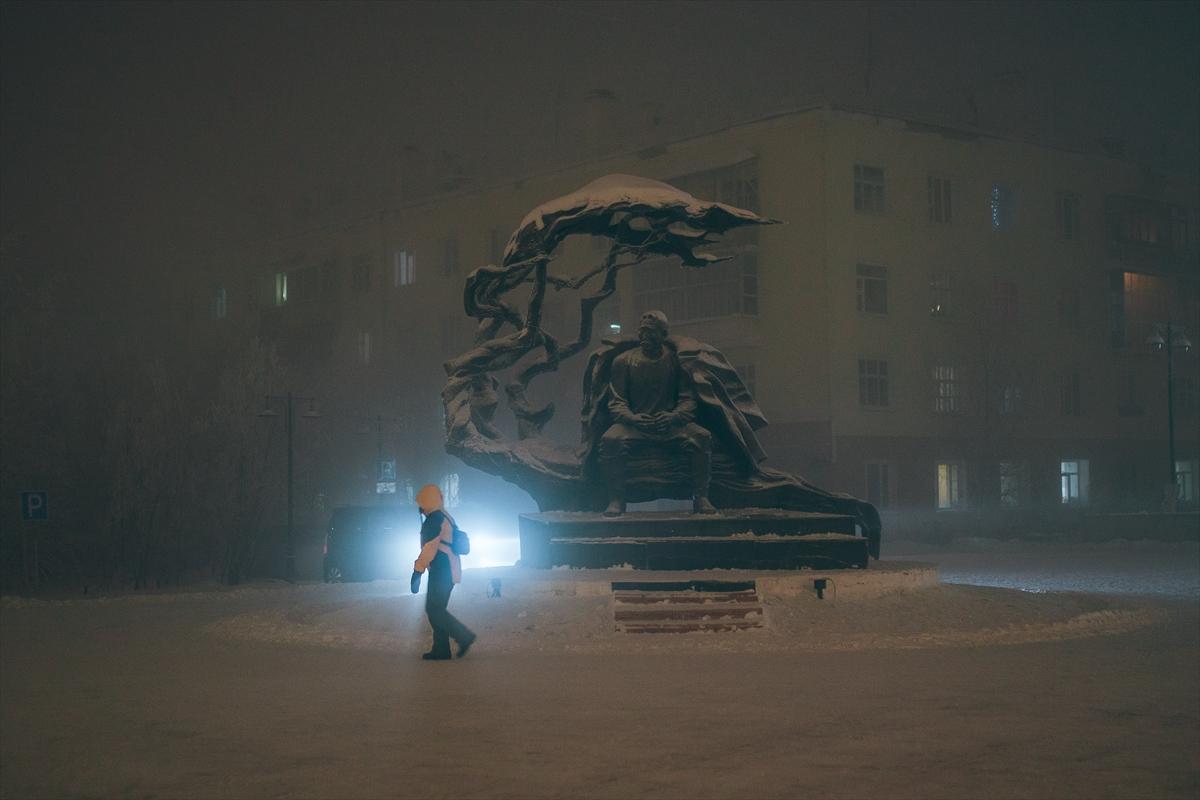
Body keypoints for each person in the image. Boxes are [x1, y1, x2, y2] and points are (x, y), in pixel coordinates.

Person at [599, 310, 717, 516]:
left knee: (702, 437)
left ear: (663, 334)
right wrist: (633, 419)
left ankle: (701, 497)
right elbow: (616, 402)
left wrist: (674, 417)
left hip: (670, 425)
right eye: (642, 332)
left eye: (651, 332)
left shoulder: (677, 361)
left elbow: (688, 400)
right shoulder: (623, 361)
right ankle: (616, 499)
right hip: (634, 426)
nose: (645, 336)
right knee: (610, 439)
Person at [411, 484, 476, 660]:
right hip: (448, 568)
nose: (420, 508)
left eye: (422, 503)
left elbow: (429, 548)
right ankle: (441, 649)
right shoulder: (445, 516)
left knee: (433, 609)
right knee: (436, 609)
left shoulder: (435, 519)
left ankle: (463, 636)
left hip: (443, 569)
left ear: (427, 501)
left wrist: (418, 570)